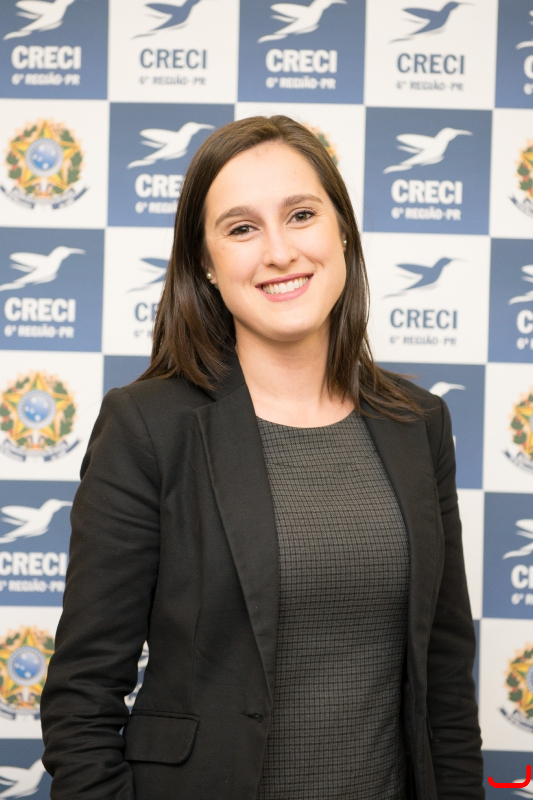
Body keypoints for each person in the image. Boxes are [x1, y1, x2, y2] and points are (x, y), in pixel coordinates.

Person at [41, 115, 484, 800]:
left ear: (342, 231)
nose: (279, 251)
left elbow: (445, 683)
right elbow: (82, 700)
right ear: (206, 264)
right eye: (242, 228)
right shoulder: (148, 426)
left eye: (301, 215)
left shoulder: (417, 422)